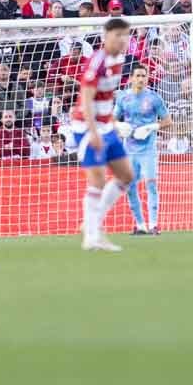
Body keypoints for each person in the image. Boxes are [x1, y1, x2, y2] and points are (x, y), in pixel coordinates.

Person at [75, 17, 134, 252]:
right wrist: (93, 131)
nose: (122, 40)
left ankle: (92, 223)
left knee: (127, 176)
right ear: (106, 36)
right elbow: (86, 100)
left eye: (125, 35)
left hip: (107, 126)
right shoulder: (96, 62)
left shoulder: (119, 59)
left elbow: (107, 97)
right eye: (117, 35)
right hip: (88, 128)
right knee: (97, 180)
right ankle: (92, 236)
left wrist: (111, 123)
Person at [114, 63, 172, 235]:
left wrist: (152, 127)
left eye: (143, 76)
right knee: (130, 187)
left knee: (151, 184)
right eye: (138, 75)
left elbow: (168, 121)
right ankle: (140, 225)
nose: (141, 79)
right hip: (129, 150)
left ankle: (154, 224)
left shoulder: (154, 98)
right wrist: (119, 125)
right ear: (131, 78)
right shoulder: (123, 98)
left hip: (148, 150)